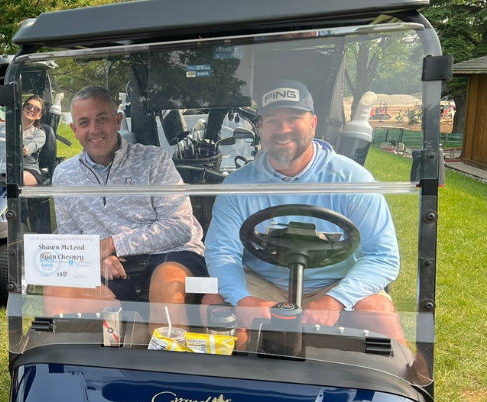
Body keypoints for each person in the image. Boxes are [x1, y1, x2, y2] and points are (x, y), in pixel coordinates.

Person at [203, 79, 403, 343]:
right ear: (260, 127)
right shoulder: (238, 186)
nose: (283, 129)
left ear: (313, 123)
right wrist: (243, 300)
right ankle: (234, 379)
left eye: (294, 117)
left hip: (335, 284)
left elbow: (383, 256)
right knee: (213, 302)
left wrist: (335, 300)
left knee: (378, 312)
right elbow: (222, 251)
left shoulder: (352, 179)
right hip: (264, 283)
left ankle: (413, 377)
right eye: (272, 120)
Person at [46, 85, 207, 325]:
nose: (94, 129)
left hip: (169, 255)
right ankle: (103, 354)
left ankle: (166, 359)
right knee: (57, 293)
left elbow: (179, 228)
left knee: (166, 288)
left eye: (102, 119)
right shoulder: (64, 175)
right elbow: (72, 240)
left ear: (117, 120)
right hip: (106, 262)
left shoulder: (153, 160)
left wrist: (111, 245)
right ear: (74, 130)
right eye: (84, 122)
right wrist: (97, 257)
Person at [21, 95, 46, 186]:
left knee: (17, 179)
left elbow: (31, 147)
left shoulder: (39, 134)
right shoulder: (8, 128)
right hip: (4, 169)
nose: (31, 109)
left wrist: (26, 149)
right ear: (23, 108)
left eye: (36, 109)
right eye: (29, 106)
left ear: (39, 116)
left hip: (28, 170)